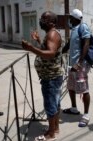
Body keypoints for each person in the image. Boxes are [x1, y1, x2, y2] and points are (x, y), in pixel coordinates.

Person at [21, 11, 63, 141]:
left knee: (50, 105)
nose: (41, 21)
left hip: (51, 77)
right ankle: (55, 128)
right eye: (42, 18)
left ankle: (51, 134)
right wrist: (38, 40)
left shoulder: (52, 34)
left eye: (45, 19)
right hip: (52, 76)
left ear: (53, 22)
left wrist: (31, 48)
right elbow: (47, 49)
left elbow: (50, 53)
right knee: (55, 104)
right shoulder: (50, 34)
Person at [62, 9, 91, 127]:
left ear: (74, 18)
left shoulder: (83, 27)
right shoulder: (73, 30)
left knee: (84, 89)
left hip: (80, 65)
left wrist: (79, 63)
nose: (69, 20)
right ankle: (74, 108)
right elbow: (69, 44)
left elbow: (86, 44)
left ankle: (86, 115)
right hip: (72, 64)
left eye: (70, 18)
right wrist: (59, 52)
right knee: (71, 87)